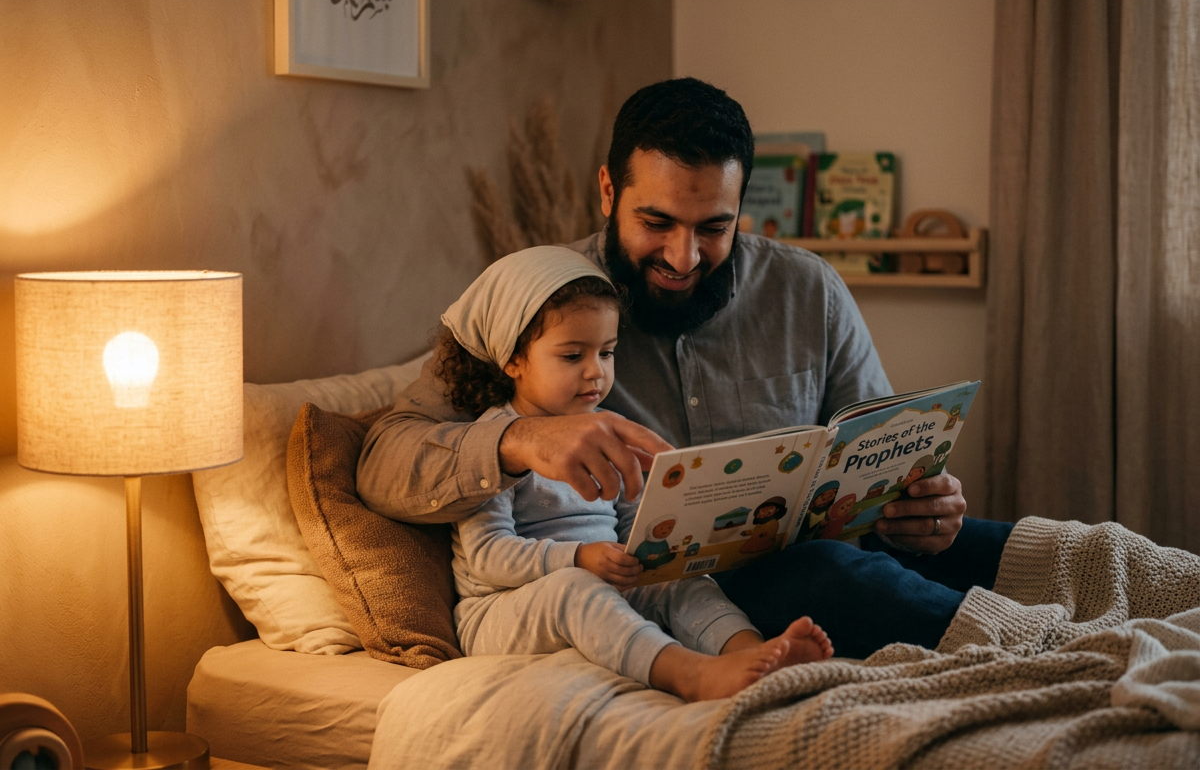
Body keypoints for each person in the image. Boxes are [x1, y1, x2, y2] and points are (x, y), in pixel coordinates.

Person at [359, 77, 1012, 659]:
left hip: (822, 552)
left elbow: (876, 458)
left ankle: (1088, 595)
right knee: (829, 572)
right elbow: (385, 459)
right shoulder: (541, 303)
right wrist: (519, 438)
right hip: (691, 591)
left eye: (713, 228)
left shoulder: (807, 290)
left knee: (983, 543)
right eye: (657, 222)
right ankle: (1027, 646)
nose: (684, 256)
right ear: (609, 191)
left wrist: (917, 508)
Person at [437, 244, 833, 702]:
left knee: (679, 581)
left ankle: (753, 655)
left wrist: (661, 551)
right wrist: (579, 557)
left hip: (603, 580)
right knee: (575, 589)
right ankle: (690, 675)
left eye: (606, 353)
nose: (596, 374)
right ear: (514, 359)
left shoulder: (607, 429)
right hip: (503, 611)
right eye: (572, 356)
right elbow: (488, 556)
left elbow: (631, 520)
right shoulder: (493, 444)